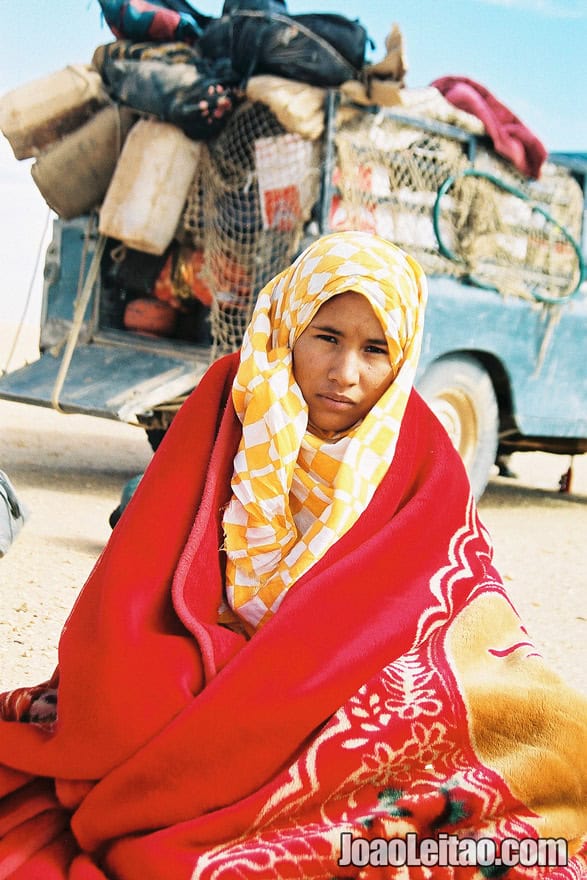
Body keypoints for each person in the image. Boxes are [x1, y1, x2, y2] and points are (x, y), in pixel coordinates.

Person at [0, 231, 585, 878]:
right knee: (131, 718)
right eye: (326, 337)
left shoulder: (416, 444)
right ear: (289, 326)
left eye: (375, 349)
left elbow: (449, 595)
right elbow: (136, 583)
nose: (345, 373)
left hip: (337, 673)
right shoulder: (232, 400)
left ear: (402, 356)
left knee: (549, 737)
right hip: (207, 660)